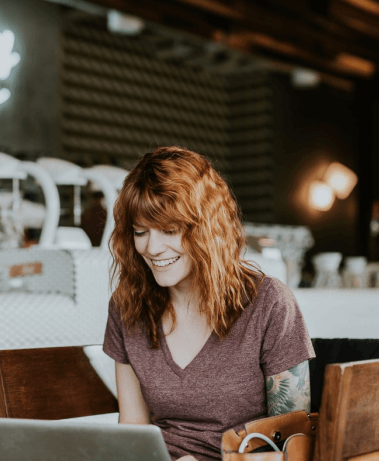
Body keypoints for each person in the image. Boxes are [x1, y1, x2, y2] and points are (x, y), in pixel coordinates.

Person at [103, 146, 315, 461]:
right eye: (140, 232)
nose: (152, 247)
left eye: (170, 230)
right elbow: (132, 431)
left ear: (206, 228)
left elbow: (295, 447)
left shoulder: (269, 303)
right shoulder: (127, 307)